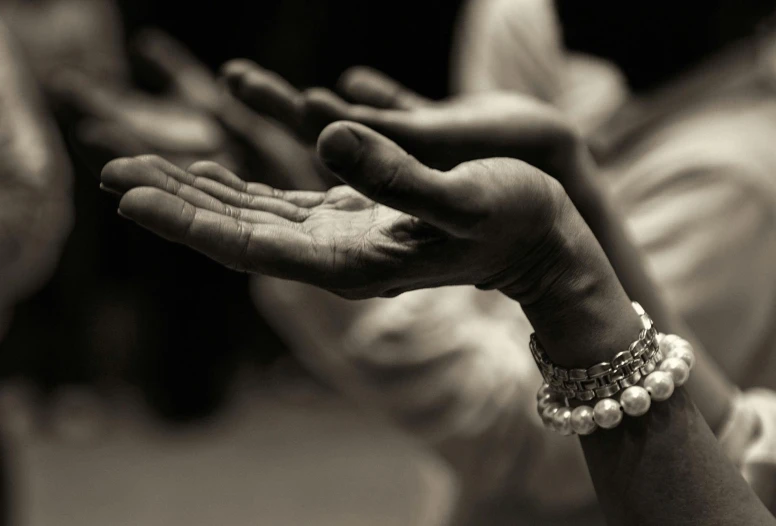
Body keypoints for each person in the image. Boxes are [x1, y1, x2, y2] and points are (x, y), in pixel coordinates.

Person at [101, 116, 776, 524]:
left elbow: (527, 443)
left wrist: (561, 279)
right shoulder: (625, 106)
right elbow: (746, 444)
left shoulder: (732, 177)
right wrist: (570, 209)